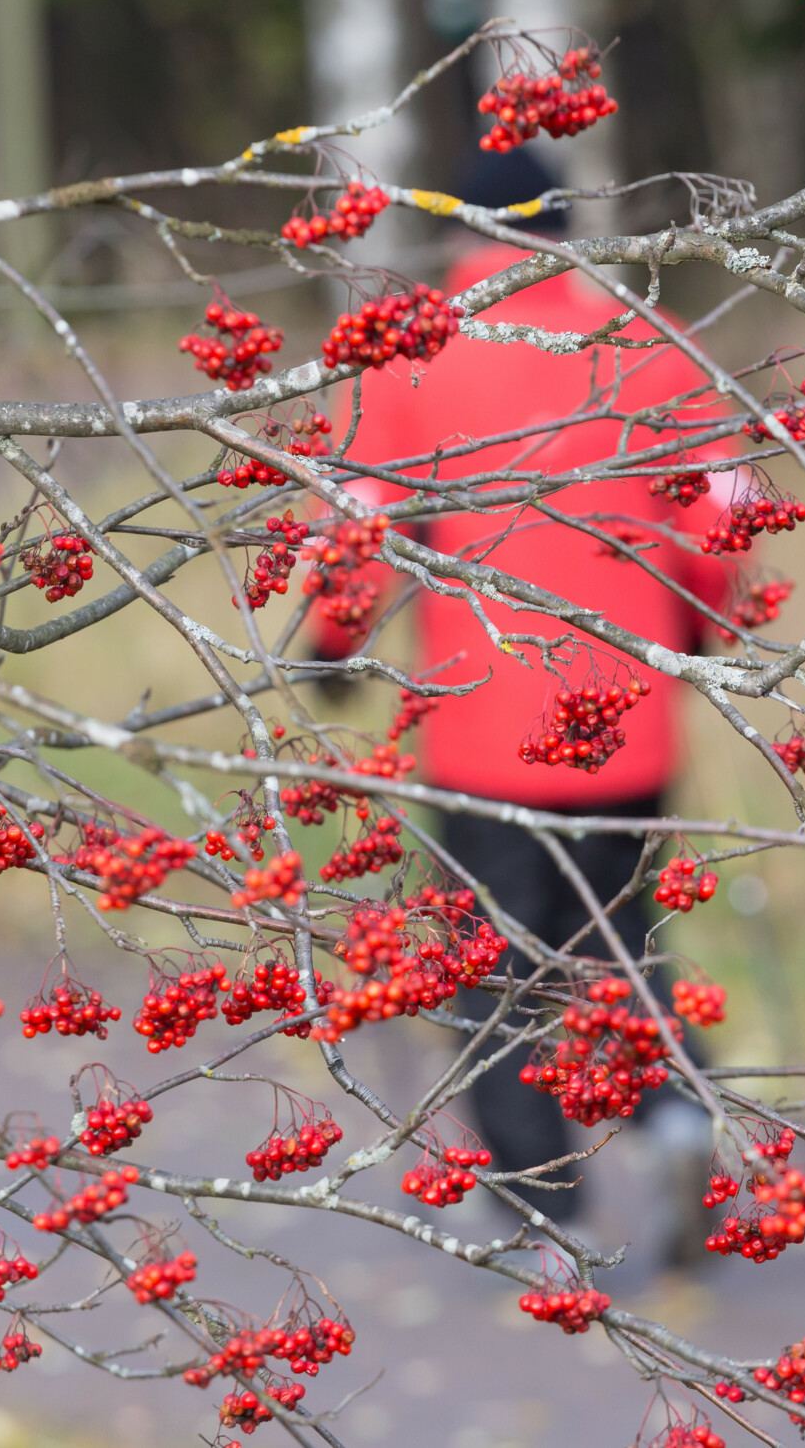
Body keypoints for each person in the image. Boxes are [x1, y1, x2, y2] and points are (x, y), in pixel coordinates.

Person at [308, 148, 727, 1233]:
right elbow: (725, 505)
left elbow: (360, 508)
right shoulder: (647, 347)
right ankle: (675, 1116)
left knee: (490, 971)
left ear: (460, 234)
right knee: (620, 940)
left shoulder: (415, 358)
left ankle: (549, 1217)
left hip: (484, 728)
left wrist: (334, 635)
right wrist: (700, 622)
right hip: (628, 722)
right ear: (565, 230)